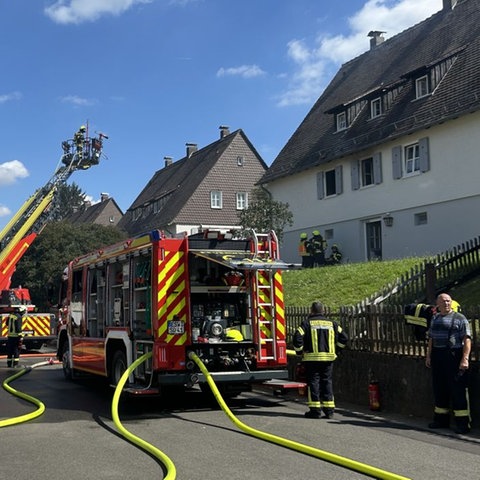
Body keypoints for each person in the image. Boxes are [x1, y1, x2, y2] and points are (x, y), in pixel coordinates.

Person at [425, 293, 471, 434]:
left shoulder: (460, 319)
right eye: (443, 301)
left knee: (457, 389)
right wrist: (428, 356)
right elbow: (431, 338)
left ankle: (463, 424)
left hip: (453, 355)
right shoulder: (436, 318)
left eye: (448, 301)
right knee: (440, 388)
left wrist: (465, 358)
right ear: (437, 304)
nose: (446, 303)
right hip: (438, 356)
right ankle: (441, 420)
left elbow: (467, 339)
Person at [293, 301, 348, 419]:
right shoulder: (332, 323)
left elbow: (297, 337)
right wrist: (337, 350)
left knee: (314, 382)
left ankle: (315, 410)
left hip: (312, 359)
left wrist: (300, 351)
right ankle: (329, 411)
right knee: (327, 381)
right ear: (323, 311)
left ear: (311, 311)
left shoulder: (307, 323)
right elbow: (344, 337)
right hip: (328, 359)